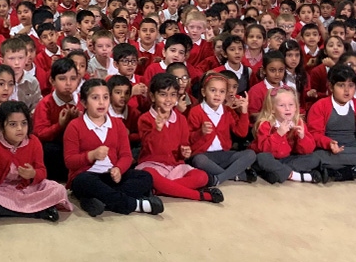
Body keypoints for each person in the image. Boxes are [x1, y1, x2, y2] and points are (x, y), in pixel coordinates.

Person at [63, 78, 161, 217]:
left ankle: (96, 200)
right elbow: (70, 161)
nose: (101, 102)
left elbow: (126, 155)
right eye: (95, 98)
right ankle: (136, 205)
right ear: (84, 103)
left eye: (105, 97)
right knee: (83, 182)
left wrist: (119, 169)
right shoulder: (75, 126)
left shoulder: (117, 124)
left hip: (111, 176)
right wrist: (91, 155)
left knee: (145, 177)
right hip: (88, 176)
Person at [0, 100, 72, 221]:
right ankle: (39, 212)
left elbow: (42, 171)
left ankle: (5, 211)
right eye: (13, 124)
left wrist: (33, 174)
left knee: (59, 189)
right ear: (1, 126)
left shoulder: (34, 142)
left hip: (29, 189)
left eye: (24, 123)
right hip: (2, 189)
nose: (20, 129)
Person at [137, 73, 221, 202]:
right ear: (153, 97)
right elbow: (150, 148)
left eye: (173, 95)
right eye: (163, 94)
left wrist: (185, 152)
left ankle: (160, 189)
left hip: (175, 166)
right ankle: (200, 196)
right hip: (153, 164)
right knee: (149, 175)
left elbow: (184, 146)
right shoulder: (145, 119)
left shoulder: (181, 119)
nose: (168, 100)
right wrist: (158, 129)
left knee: (202, 176)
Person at [306, 65, 356, 181]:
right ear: (330, 86)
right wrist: (329, 143)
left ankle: (342, 173)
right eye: (341, 85)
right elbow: (314, 134)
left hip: (353, 147)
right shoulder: (320, 106)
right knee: (317, 157)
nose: (347, 90)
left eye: (351, 86)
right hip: (329, 149)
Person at [187, 73, 256, 185]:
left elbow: (241, 133)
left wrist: (244, 112)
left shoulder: (227, 111)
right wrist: (201, 132)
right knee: (198, 160)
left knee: (250, 154)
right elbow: (188, 138)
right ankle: (236, 175)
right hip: (204, 155)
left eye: (222, 91)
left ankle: (219, 178)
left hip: (224, 154)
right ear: (204, 92)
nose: (217, 95)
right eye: (213, 90)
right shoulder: (196, 112)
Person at [251, 87, 324, 183]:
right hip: (271, 158)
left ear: (296, 107)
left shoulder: (298, 122)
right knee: (262, 158)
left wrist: (302, 137)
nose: (287, 108)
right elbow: (264, 148)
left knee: (314, 158)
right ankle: (295, 176)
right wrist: (278, 134)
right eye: (282, 105)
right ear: (272, 109)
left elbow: (308, 150)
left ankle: (277, 172)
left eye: (291, 105)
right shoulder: (265, 124)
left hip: (287, 159)